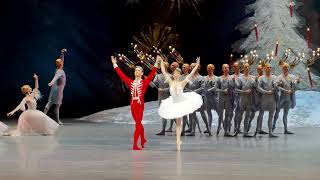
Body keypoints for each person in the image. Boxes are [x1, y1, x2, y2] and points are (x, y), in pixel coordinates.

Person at [111, 55, 159, 150]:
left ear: (142, 73)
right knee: (139, 123)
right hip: (133, 105)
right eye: (135, 70)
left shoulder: (145, 82)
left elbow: (153, 73)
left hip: (140, 105)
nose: (137, 72)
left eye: (138, 71)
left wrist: (157, 61)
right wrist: (115, 64)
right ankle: (143, 139)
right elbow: (121, 75)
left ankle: (135, 144)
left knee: (137, 124)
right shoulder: (130, 82)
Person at [158, 56, 203, 151]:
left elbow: (191, 74)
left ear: (179, 75)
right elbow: (163, 71)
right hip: (173, 103)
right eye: (174, 73)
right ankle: (178, 140)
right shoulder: (170, 81)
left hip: (181, 103)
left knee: (178, 123)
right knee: (177, 123)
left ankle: (178, 141)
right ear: (173, 74)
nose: (176, 75)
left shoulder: (182, 82)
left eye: (178, 73)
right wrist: (161, 61)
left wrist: (197, 64)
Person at [273, 63, 300, 134]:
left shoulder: (291, 77)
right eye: (285, 67)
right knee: (277, 111)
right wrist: (282, 87)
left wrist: (297, 82)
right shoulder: (279, 77)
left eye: (287, 67)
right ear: (283, 69)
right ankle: (273, 125)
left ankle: (285, 129)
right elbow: (275, 85)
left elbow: (295, 84)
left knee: (285, 114)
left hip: (288, 98)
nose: (286, 69)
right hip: (281, 97)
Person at [44, 49, 67, 125]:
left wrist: (62, 53)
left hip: (55, 88)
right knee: (56, 105)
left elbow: (61, 60)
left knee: (51, 103)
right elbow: (55, 77)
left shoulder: (58, 69)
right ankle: (55, 120)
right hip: (58, 89)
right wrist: (51, 82)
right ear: (60, 64)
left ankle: (44, 117)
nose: (62, 62)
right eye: (61, 62)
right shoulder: (59, 71)